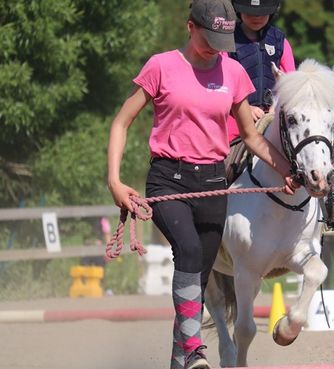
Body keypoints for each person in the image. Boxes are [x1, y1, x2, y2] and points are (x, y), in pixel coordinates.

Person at [106, 1, 298, 368]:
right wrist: (115, 181)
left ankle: (183, 360)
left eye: (221, 40)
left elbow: (251, 137)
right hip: (168, 181)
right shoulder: (161, 66)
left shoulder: (233, 72)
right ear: (189, 27)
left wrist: (285, 169)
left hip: (212, 182)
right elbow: (121, 123)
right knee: (189, 253)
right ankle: (195, 349)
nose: (214, 47)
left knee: (198, 279)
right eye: (208, 37)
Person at [226, 0, 334, 231]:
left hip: (275, 117)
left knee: (313, 153)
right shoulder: (227, 41)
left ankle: (331, 202)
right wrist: (244, 108)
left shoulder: (280, 41)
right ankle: (210, 221)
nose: (257, 17)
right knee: (223, 165)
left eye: (263, 13)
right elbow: (223, 82)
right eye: (250, 11)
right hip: (236, 121)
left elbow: (291, 83)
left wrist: (277, 108)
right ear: (239, 10)